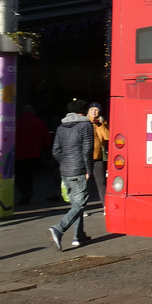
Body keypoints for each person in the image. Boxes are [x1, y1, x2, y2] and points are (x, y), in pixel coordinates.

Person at [48, 99, 94, 251]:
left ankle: (79, 236)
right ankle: (59, 229)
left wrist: (65, 162)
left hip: (65, 170)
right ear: (84, 111)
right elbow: (87, 150)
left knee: (75, 204)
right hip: (79, 170)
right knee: (80, 204)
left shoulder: (62, 126)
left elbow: (55, 151)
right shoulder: (85, 125)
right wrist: (88, 169)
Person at [15, 105, 51, 205]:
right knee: (28, 175)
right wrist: (45, 150)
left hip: (18, 153)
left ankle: (25, 193)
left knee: (19, 175)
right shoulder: (39, 122)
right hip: (34, 153)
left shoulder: (17, 122)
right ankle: (27, 193)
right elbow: (46, 138)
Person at [87, 102, 109, 208]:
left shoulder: (102, 122)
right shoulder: (85, 122)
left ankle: (105, 205)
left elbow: (107, 136)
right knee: (83, 183)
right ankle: (81, 207)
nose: (94, 112)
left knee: (101, 182)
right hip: (85, 157)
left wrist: (99, 125)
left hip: (98, 156)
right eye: (92, 110)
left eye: (96, 110)